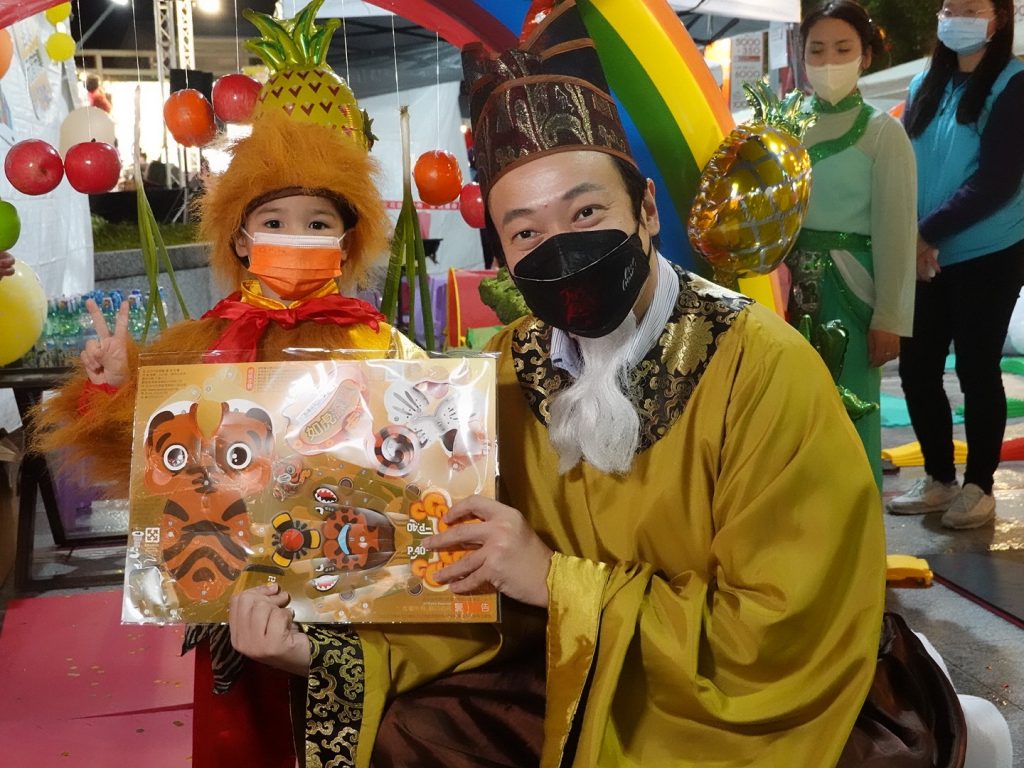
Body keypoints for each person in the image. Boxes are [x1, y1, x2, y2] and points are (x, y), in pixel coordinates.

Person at [224, 4, 1014, 767]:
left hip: (740, 697)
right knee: (413, 735)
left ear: (645, 212)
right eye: (525, 231)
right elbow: (462, 584)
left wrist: (554, 580)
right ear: (502, 256)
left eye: (586, 211)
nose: (560, 247)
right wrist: (316, 648)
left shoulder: (761, 368)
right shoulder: (505, 375)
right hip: (581, 663)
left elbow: (779, 628)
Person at [30, 110, 422, 767]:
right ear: (241, 238)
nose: (296, 237)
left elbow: (424, 456)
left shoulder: (381, 344)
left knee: (360, 736)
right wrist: (116, 390)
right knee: (250, 740)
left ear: (345, 240)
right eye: (274, 222)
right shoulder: (201, 346)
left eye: (318, 224)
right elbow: (148, 465)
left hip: (353, 597)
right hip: (235, 599)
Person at [888, 0, 1024, 528]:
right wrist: (913, 233)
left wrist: (927, 232)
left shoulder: (1012, 83)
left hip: (987, 251)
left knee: (976, 368)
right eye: (950, 7)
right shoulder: (925, 83)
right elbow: (904, 162)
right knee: (917, 368)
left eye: (971, 7)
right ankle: (939, 477)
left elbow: (997, 181)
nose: (956, 16)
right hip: (925, 249)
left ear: (998, 19)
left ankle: (979, 486)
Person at [788, 0, 917, 489]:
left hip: (853, 292)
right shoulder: (785, 128)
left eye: (842, 49)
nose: (828, 62)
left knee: (850, 414)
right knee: (791, 417)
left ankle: (856, 529)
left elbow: (897, 231)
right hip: (786, 288)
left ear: (865, 56)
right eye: (817, 50)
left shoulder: (883, 133)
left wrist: (890, 317)